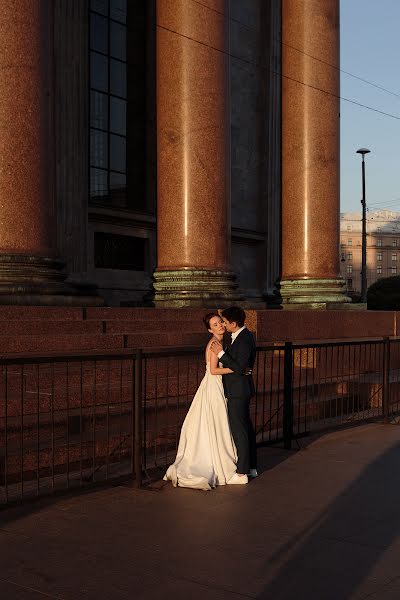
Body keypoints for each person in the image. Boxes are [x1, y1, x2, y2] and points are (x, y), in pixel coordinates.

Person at [163, 313, 240, 490]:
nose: (220, 325)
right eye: (215, 324)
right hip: (213, 386)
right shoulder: (214, 343)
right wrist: (236, 369)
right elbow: (213, 370)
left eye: (220, 322)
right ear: (209, 329)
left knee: (215, 422)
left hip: (215, 385)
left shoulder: (220, 342)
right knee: (216, 421)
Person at [210, 306, 257, 484]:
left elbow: (238, 367)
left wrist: (220, 353)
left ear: (234, 323)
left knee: (240, 431)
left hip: (238, 391)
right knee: (245, 429)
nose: (223, 324)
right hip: (240, 389)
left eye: (225, 322)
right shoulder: (241, 336)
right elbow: (241, 366)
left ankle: (242, 473)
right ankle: (251, 468)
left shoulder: (244, 339)